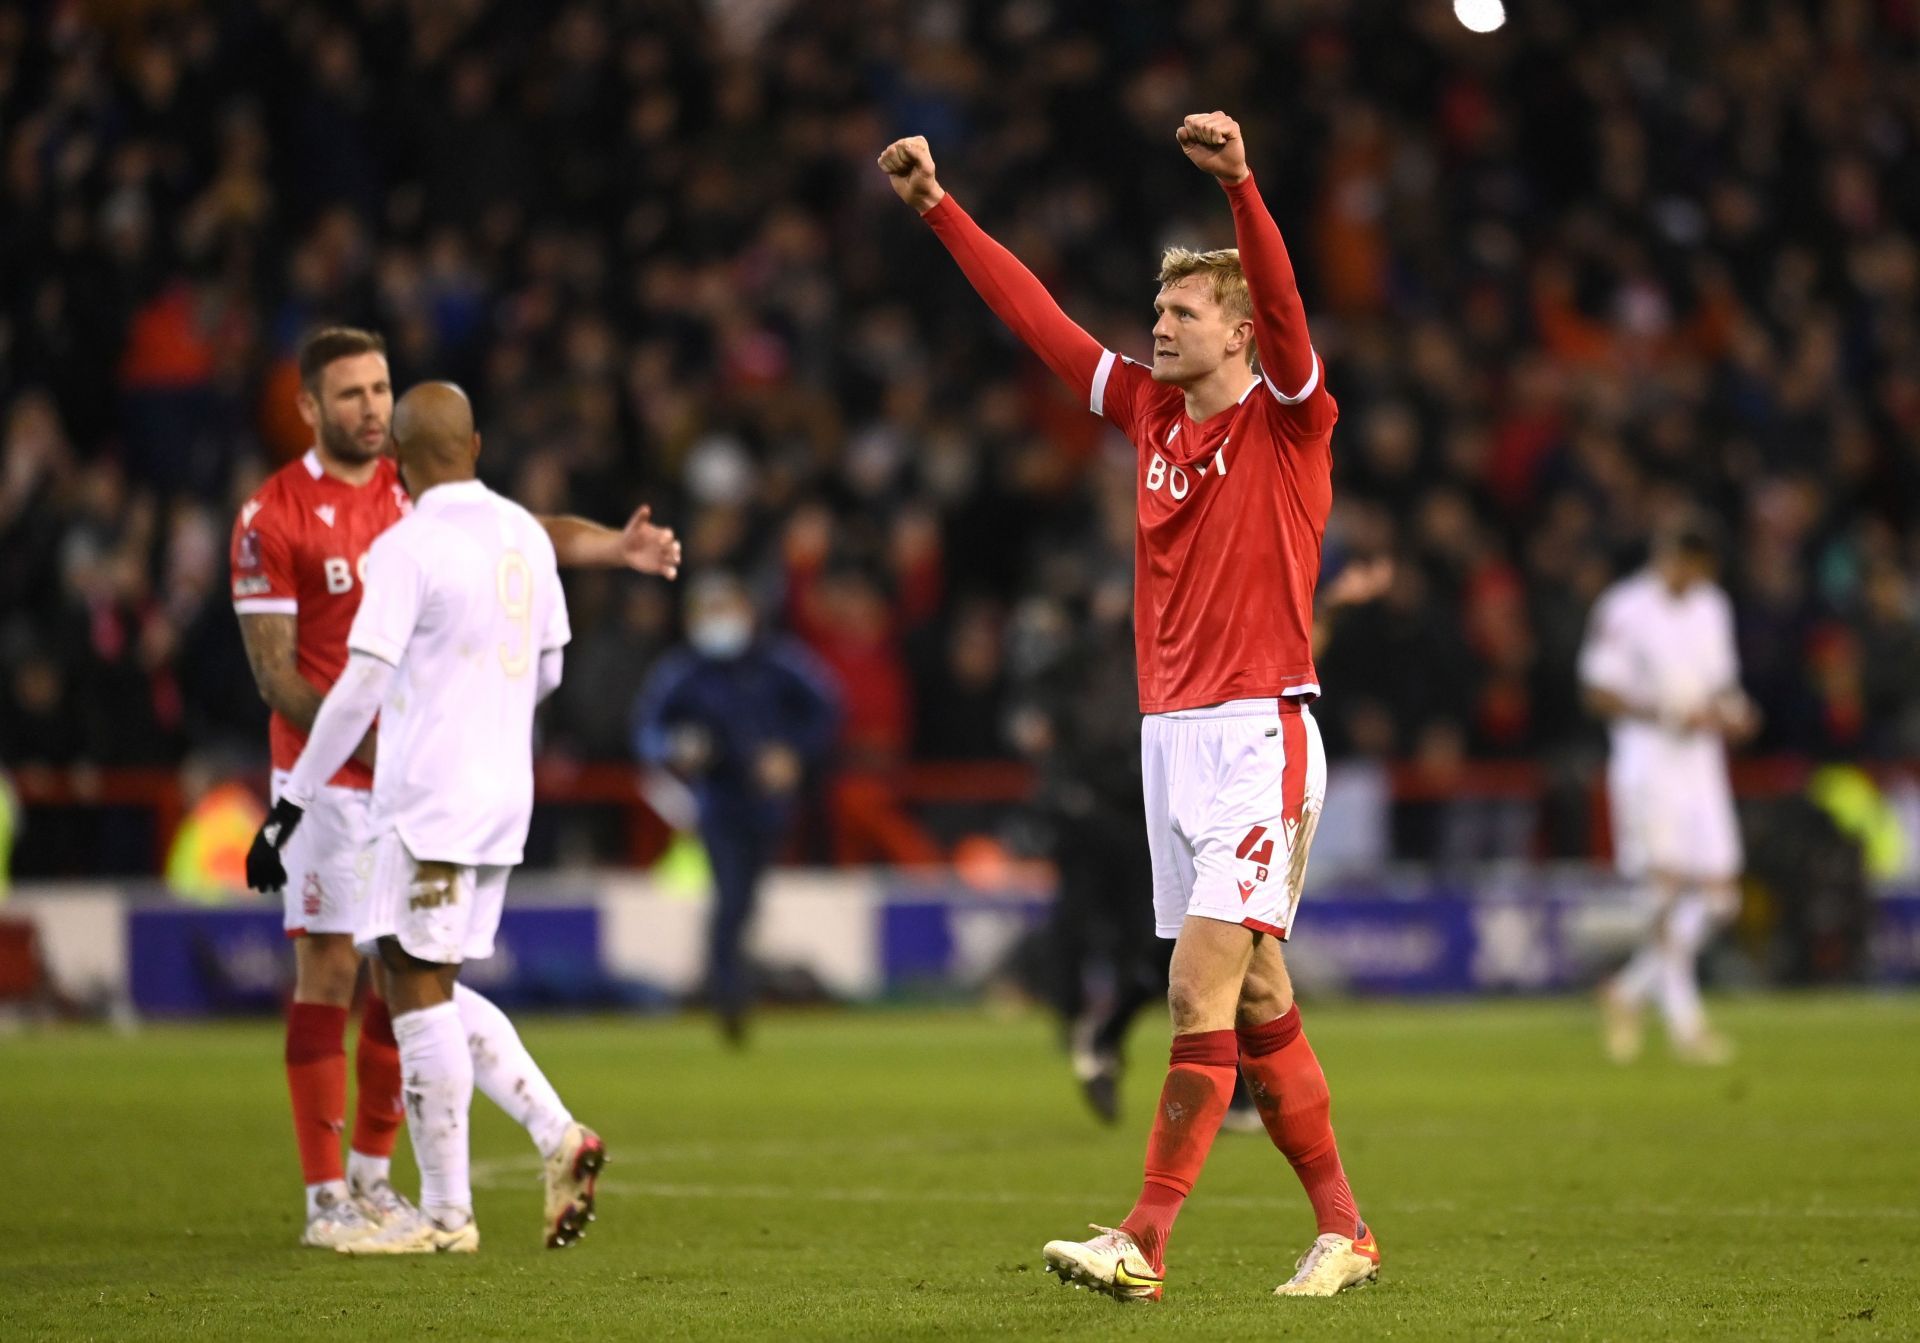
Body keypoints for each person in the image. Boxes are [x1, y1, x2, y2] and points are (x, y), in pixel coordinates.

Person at [879, 112, 1376, 1301]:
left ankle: (1143, 1238)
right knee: (1255, 994)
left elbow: (1293, 310)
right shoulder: (1151, 416)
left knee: (1195, 987)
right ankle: (1346, 1230)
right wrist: (938, 208)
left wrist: (1245, 187)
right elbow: (1037, 320)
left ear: (1241, 331)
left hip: (1262, 730)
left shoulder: (1290, 418)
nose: (1158, 328)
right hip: (1171, 741)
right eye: (1156, 314)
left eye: (1183, 314)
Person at [231, 327, 680, 1248]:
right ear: (311, 407)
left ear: (400, 442)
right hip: (471, 787)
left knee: (411, 986)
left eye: (378, 391)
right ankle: (355, 1189)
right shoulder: (279, 515)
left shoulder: (408, 531)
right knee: (397, 974)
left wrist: (293, 798)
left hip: (416, 787)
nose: (364, 406)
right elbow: (543, 667)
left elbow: (363, 684)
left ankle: (437, 1202)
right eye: (349, 392)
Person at [632, 573, 840, 1043]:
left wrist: (793, 754)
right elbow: (648, 732)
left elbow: (827, 710)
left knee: (743, 901)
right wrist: (675, 750)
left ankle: (727, 985)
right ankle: (727, 995)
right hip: (719, 800)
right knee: (730, 899)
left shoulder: (778, 663)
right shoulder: (683, 672)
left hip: (768, 804)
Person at [1580, 514, 1757, 1065]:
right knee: (1666, 891)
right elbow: (1597, 690)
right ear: (1667, 556)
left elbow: (1722, 683)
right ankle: (1687, 1027)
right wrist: (1663, 712)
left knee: (1722, 896)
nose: (1693, 578)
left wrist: (1735, 713)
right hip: (1647, 761)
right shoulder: (1624, 608)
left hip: (1701, 765)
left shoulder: (1712, 606)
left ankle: (1627, 991)